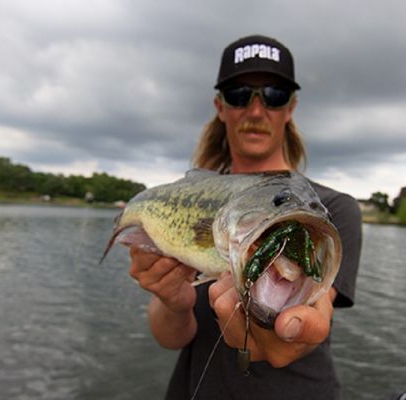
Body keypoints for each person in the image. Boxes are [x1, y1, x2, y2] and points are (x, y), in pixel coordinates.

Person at [129, 34, 362, 400]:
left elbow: (314, 315)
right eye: (239, 95)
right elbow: (170, 338)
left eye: (273, 95)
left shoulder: (332, 210)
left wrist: (291, 331)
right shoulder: (187, 203)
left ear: (290, 108)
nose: (256, 111)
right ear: (220, 107)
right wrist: (174, 302)